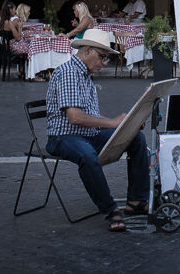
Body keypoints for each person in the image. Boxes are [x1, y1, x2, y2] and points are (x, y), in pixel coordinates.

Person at [45, 29, 149, 232]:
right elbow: (75, 117)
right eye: (102, 57)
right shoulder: (68, 72)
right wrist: (112, 123)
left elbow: (91, 118)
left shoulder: (85, 75)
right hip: (63, 137)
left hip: (87, 134)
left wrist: (126, 124)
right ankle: (110, 210)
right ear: (87, 51)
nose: (104, 63)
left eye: (107, 58)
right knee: (87, 154)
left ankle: (136, 201)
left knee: (136, 137)